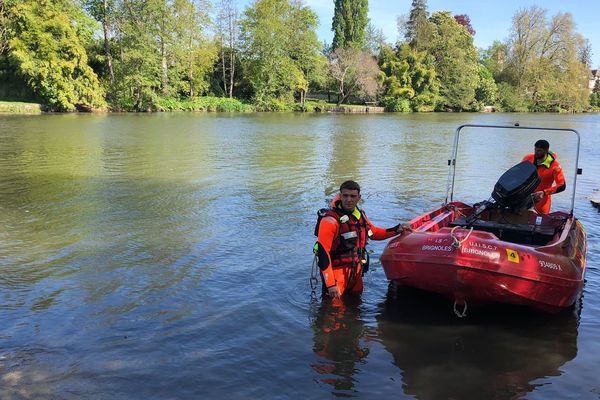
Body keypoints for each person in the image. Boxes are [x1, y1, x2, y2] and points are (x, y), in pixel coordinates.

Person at [314, 180, 411, 299]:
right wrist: (330, 284)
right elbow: (323, 253)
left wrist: (396, 229)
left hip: (356, 272)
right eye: (345, 195)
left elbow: (373, 233)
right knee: (333, 313)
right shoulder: (329, 221)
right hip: (336, 274)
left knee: (357, 307)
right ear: (340, 196)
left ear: (359, 198)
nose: (349, 199)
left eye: (353, 196)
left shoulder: (361, 216)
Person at [522, 139, 566, 214]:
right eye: (535, 149)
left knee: (540, 222)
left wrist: (544, 192)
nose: (536, 153)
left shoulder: (555, 166)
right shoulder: (528, 158)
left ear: (546, 150)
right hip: (524, 198)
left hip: (542, 201)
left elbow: (562, 186)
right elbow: (518, 174)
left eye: (539, 150)